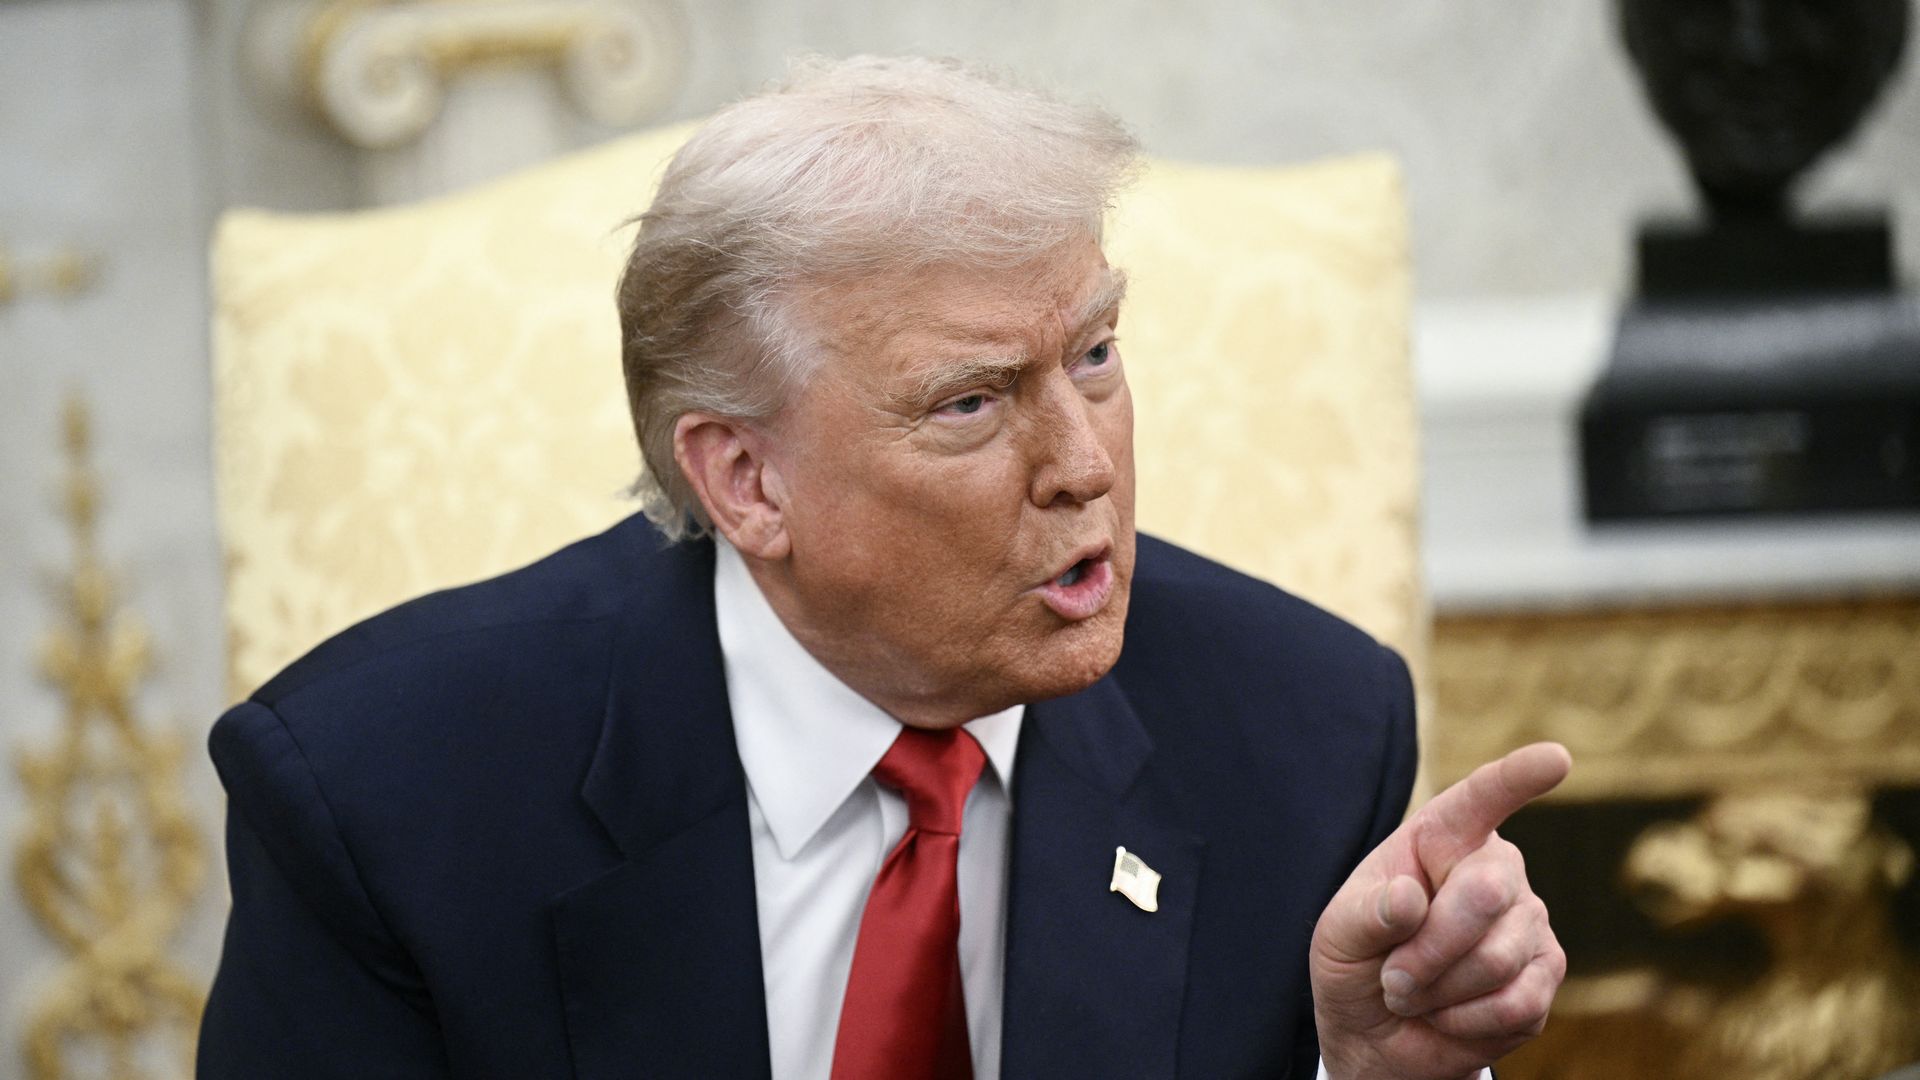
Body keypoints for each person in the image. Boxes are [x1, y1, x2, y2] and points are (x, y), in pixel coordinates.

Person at [198, 55, 1567, 1079]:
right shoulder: (381, 794)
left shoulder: (1304, 732)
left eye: (1094, 354)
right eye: (972, 403)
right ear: (745, 479)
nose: (1083, 464)